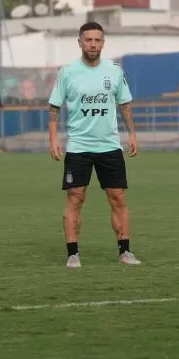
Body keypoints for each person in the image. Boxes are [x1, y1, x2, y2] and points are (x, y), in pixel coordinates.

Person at [48, 21, 141, 268]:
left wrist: (132, 133)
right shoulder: (67, 72)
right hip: (78, 147)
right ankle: (73, 254)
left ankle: (125, 251)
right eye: (88, 40)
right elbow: (54, 107)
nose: (93, 44)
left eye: (97, 40)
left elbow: (125, 104)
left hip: (109, 146)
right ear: (80, 42)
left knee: (118, 197)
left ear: (103, 42)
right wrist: (53, 138)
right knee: (75, 198)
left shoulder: (114, 70)